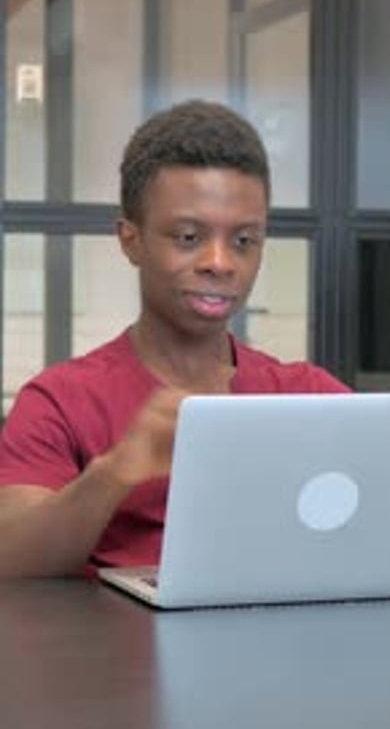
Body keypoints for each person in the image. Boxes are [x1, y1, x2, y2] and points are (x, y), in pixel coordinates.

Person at [0, 100, 350, 577]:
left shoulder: (309, 394)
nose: (220, 263)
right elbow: (11, 563)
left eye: (244, 240)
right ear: (131, 241)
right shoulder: (59, 401)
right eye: (188, 237)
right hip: (114, 650)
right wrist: (117, 471)